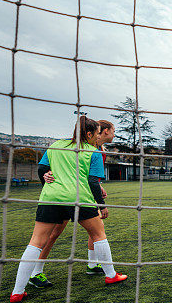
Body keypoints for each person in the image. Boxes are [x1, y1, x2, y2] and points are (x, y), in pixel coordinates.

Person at [9, 117, 127, 303]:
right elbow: (92, 181)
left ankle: (17, 291)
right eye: (96, 133)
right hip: (79, 198)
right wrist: (102, 205)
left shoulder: (55, 145)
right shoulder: (93, 151)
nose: (98, 137)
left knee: (36, 242)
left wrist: (46, 179)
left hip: (50, 198)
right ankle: (111, 275)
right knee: (99, 234)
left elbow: (42, 169)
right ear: (89, 134)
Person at [27, 120, 115, 288]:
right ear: (102, 132)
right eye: (112, 131)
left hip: (81, 194)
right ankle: (36, 272)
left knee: (96, 227)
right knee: (53, 234)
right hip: (68, 196)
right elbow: (62, 168)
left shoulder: (99, 150)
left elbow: (83, 172)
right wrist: (46, 175)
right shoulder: (81, 147)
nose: (114, 134)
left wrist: (99, 186)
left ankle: (92, 264)